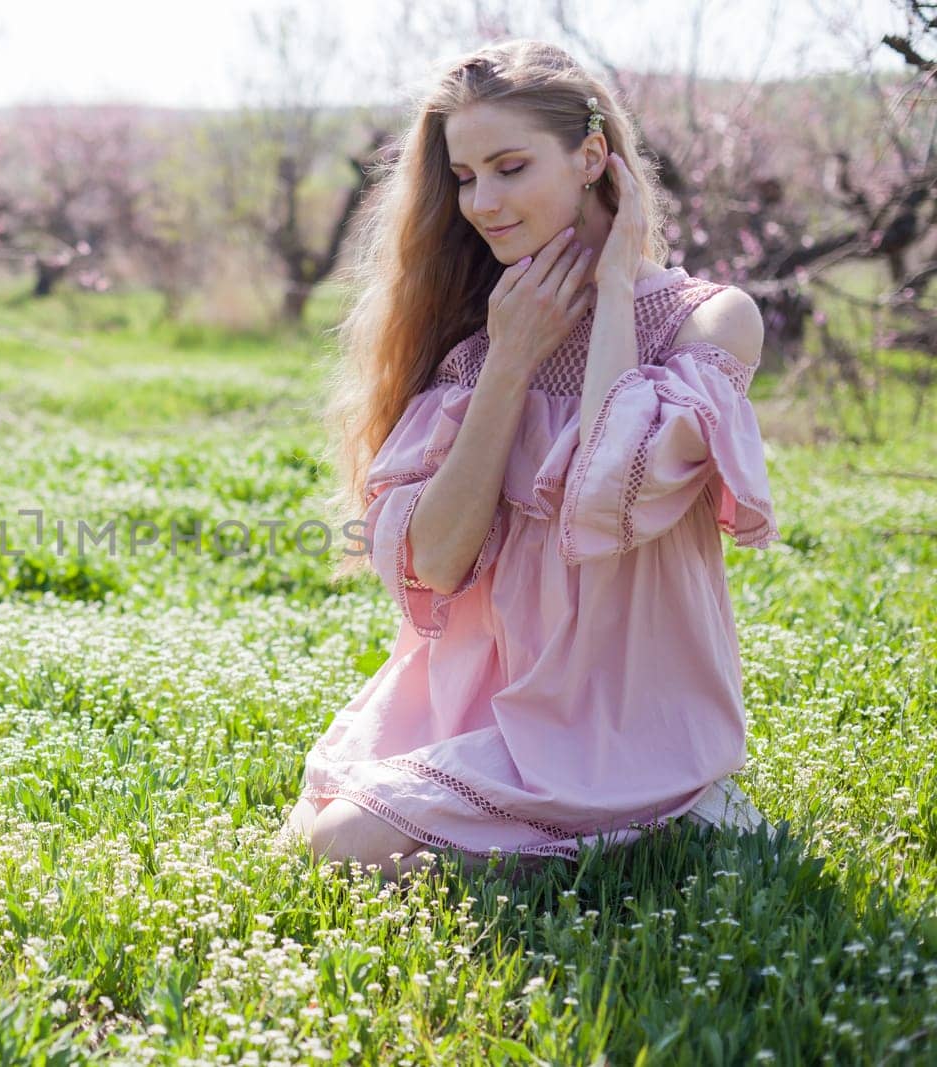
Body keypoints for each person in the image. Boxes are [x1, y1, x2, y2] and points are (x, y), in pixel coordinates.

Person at [277, 39, 779, 884]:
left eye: (510, 167)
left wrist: (615, 290)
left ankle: (656, 812)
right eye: (467, 176)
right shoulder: (486, 341)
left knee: (341, 850)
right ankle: (625, 833)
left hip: (617, 715)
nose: (482, 202)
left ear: (591, 157)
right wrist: (510, 360)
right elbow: (435, 560)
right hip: (487, 698)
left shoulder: (707, 324)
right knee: (313, 830)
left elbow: (605, 500)